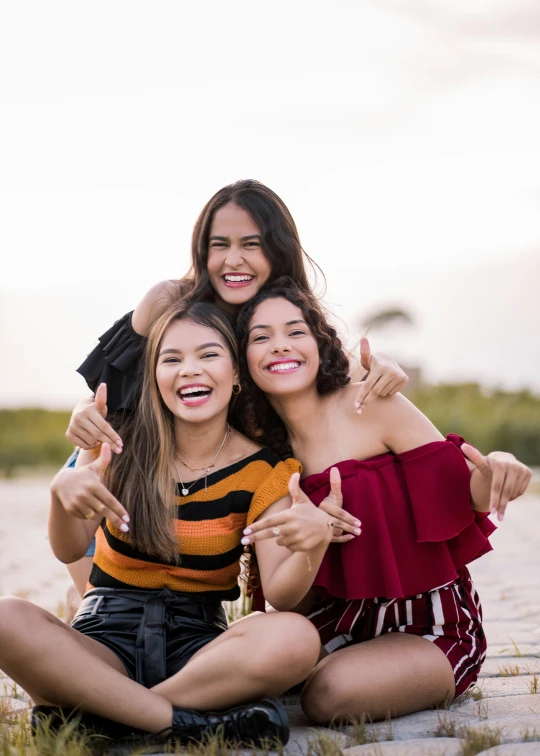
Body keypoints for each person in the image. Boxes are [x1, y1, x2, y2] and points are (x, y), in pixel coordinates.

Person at [0, 301, 348, 749]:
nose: (190, 370)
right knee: (6, 615)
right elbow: (68, 549)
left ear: (237, 373)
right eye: (172, 359)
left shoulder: (266, 471)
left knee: (296, 638)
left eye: (208, 355)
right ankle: (176, 721)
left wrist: (312, 544)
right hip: (105, 637)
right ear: (154, 376)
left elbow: (282, 595)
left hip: (200, 652)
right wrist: (61, 493)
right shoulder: (117, 442)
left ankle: (110, 713)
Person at [63, 179, 408, 617]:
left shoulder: (286, 310)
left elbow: (330, 381)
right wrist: (80, 413)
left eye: (252, 244)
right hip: (145, 461)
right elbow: (106, 393)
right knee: (81, 481)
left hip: (241, 471)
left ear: (278, 250)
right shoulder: (171, 301)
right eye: (218, 245)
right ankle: (90, 609)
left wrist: (381, 368)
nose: (233, 260)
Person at [233, 277, 532, 725]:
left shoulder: (370, 403)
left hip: (431, 625)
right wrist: (313, 539)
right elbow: (288, 602)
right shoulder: (262, 456)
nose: (280, 346)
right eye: (261, 337)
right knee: (239, 648)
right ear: (243, 361)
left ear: (320, 344)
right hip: (337, 623)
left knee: (328, 695)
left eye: (295, 331)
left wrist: (500, 468)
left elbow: (465, 490)